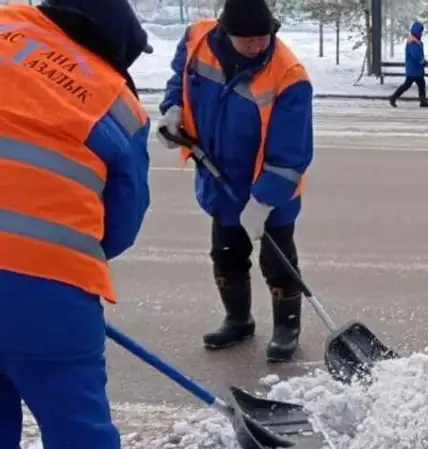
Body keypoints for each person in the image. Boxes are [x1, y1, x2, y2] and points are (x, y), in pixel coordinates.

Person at [0, 0, 152, 447]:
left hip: (40, 294)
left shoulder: (5, 23)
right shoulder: (116, 103)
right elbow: (120, 224)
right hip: (47, 298)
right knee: (77, 431)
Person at [158, 0, 314, 363]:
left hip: (271, 191)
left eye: (264, 36)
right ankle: (238, 319)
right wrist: (173, 110)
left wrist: (263, 201)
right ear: (226, 32)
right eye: (249, 40)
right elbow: (180, 76)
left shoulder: (289, 76)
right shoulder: (198, 39)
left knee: (278, 262)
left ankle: (286, 328)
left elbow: (292, 153)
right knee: (226, 254)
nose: (258, 45)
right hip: (219, 178)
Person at [389, 20, 428, 108]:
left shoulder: (415, 40)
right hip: (414, 68)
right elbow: (415, 55)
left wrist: (422, 62)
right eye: (421, 31)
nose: (421, 33)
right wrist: (422, 62)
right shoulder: (413, 41)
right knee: (407, 85)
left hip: (415, 68)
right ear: (417, 31)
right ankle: (393, 97)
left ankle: (423, 101)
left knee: (421, 84)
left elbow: (418, 54)